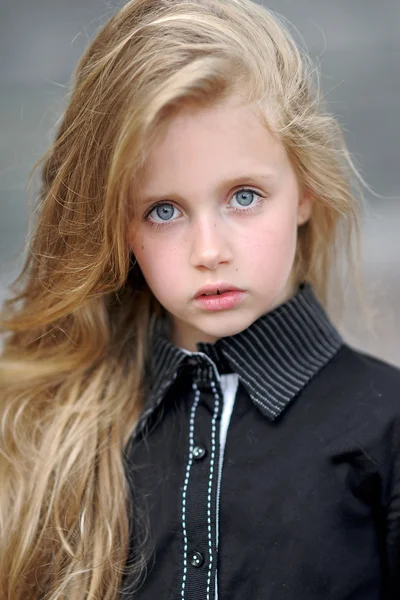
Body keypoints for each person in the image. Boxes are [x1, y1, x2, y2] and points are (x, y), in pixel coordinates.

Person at [0, 0, 399, 598]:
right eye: (164, 211)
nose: (208, 250)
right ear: (120, 231)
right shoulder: (50, 435)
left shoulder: (386, 427)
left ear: (306, 189)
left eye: (243, 196)